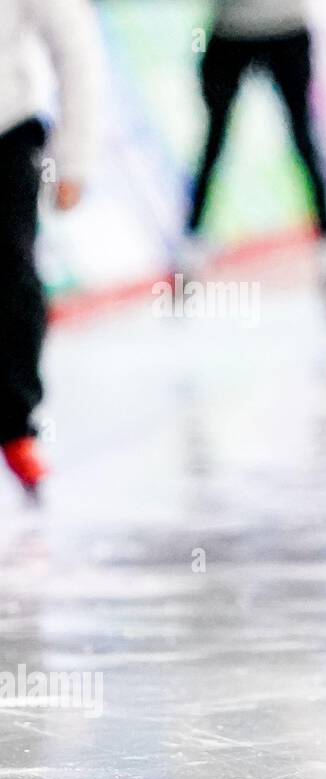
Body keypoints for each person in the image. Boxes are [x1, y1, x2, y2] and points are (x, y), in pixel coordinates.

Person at [0, 0, 101, 498]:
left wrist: (74, 156)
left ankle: (15, 423)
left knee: (12, 281)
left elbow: (75, 45)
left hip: (6, 139)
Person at [186, 0, 326, 244]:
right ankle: (193, 237)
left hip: (285, 28)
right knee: (215, 141)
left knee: (303, 135)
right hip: (232, 32)